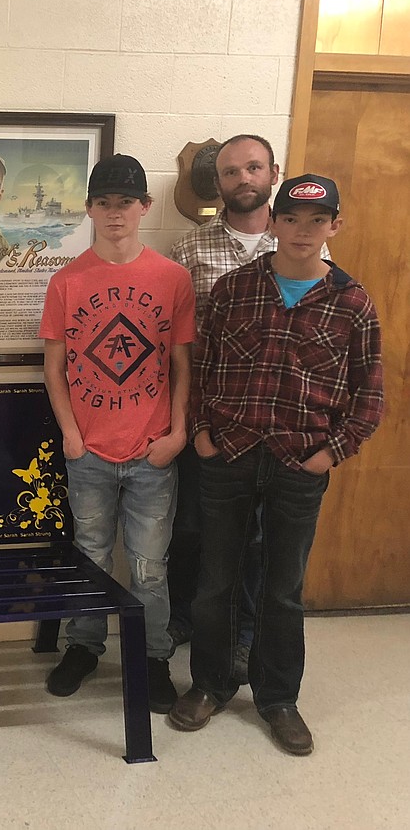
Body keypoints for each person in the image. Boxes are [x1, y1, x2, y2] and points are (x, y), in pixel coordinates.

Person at [169, 174, 383, 755]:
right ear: (274, 222)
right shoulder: (236, 289)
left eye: (317, 221)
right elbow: (203, 369)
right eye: (291, 219)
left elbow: (370, 397)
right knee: (216, 582)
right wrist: (203, 433)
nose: (302, 231)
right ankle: (209, 684)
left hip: (298, 466)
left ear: (334, 226)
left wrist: (329, 454)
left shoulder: (352, 303)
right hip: (228, 456)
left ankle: (277, 698)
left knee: (282, 589)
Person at [166, 135, 331, 681]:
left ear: (273, 172)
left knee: (264, 547)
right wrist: (196, 424)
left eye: (253, 168)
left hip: (283, 434)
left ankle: (244, 639)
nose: (243, 179)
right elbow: (183, 347)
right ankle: (188, 625)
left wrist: (330, 444)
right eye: (232, 171)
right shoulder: (189, 251)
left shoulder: (308, 248)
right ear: (219, 182)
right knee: (193, 530)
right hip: (212, 423)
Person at [39, 154, 195, 715]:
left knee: (150, 566)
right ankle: (84, 646)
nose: (114, 213)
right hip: (88, 452)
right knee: (90, 557)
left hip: (152, 451)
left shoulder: (172, 279)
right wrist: (70, 433)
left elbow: (181, 364)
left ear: (144, 208)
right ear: (88, 209)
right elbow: (54, 367)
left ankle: (153, 658)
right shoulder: (67, 281)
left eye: (125, 202)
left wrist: (177, 433)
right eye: (103, 203)